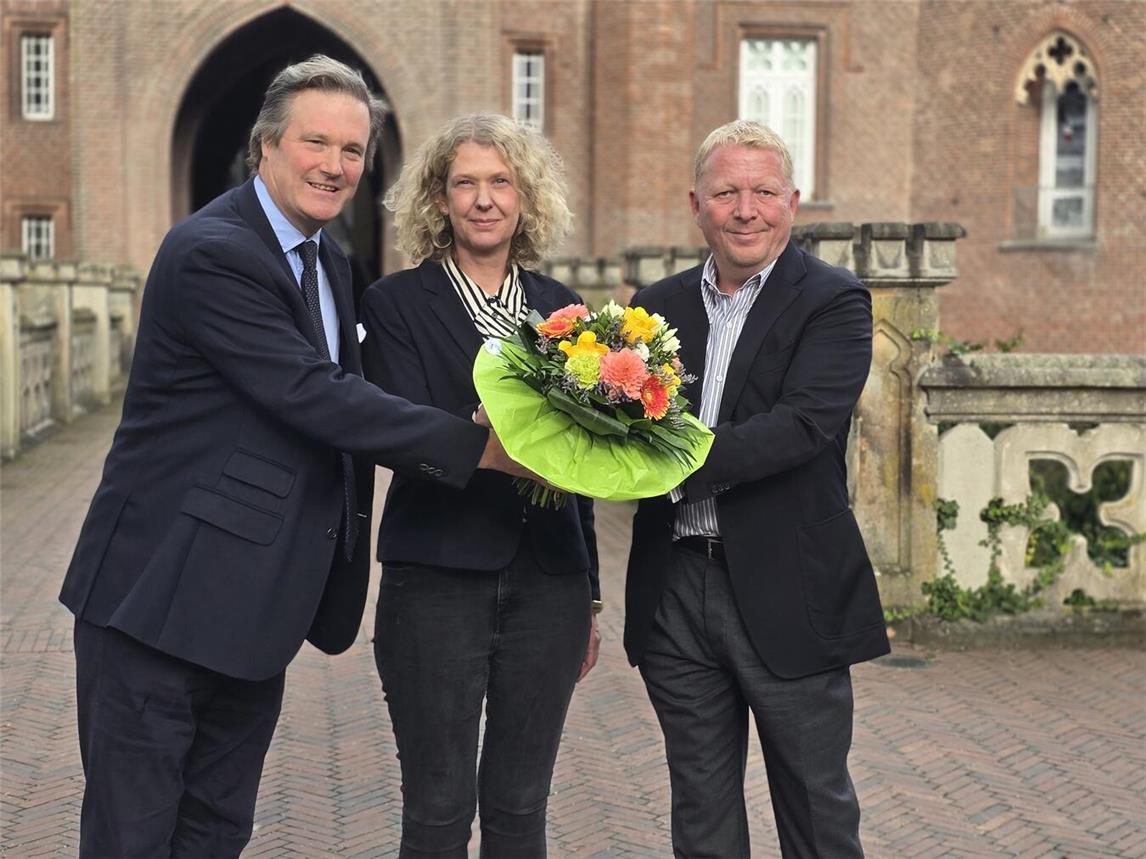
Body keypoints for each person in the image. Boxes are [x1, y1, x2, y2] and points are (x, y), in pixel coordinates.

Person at [58, 57, 532, 859]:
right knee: (133, 835)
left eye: (353, 150)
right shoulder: (213, 250)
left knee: (215, 829)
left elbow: (363, 387)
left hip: (255, 607)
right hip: (160, 598)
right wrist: (488, 449)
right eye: (316, 142)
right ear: (264, 147)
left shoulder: (331, 264)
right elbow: (315, 395)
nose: (335, 165)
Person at [623, 119, 890, 858]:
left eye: (764, 191)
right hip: (675, 587)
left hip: (787, 588)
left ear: (793, 202)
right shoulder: (654, 307)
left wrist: (664, 461)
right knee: (701, 812)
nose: (747, 209)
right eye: (727, 192)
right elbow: (618, 423)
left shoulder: (834, 301)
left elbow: (801, 426)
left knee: (815, 811)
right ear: (696, 204)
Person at [360, 113, 601, 858]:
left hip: (550, 585)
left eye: (501, 182)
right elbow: (406, 431)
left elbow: (586, 463)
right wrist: (513, 435)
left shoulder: (564, 308)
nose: (484, 199)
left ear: (526, 197)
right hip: (435, 579)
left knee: (522, 808)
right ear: (439, 199)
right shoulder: (395, 304)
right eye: (464, 183)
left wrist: (590, 590)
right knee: (435, 809)